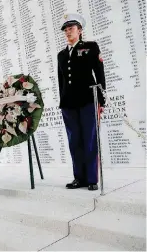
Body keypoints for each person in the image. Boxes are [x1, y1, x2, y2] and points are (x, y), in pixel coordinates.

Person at [57, 13, 106, 191]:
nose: (68, 31)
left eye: (71, 28)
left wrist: (101, 99)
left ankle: (92, 179)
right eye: (65, 29)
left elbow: (99, 73)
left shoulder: (90, 47)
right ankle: (79, 177)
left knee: (90, 139)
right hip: (68, 104)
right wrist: (62, 101)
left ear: (80, 30)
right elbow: (61, 81)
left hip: (87, 100)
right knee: (74, 141)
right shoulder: (61, 55)